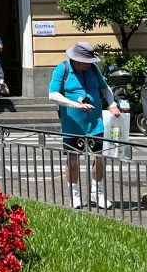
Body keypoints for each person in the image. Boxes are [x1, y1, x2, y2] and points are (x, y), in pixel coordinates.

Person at [48, 41, 121, 210]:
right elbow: (53, 94)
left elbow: (105, 88)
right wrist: (76, 105)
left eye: (90, 62)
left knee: (100, 157)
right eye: (84, 62)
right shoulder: (63, 69)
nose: (88, 65)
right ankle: (74, 194)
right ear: (75, 59)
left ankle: (96, 192)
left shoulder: (93, 69)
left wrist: (112, 104)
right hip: (72, 126)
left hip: (95, 124)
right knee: (73, 159)